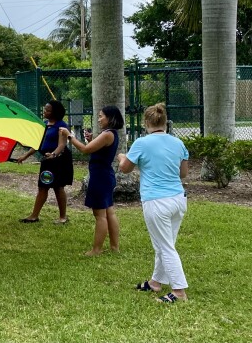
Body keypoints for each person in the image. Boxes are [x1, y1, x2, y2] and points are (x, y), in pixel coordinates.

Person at [118, 103, 190, 303]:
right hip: (178, 199)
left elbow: (125, 169)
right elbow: (183, 173)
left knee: (166, 246)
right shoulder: (178, 143)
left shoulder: (142, 143)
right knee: (164, 244)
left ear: (146, 123)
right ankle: (156, 282)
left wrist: (122, 156)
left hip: (156, 201)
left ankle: (178, 291)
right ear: (165, 122)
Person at [61, 105, 124, 256]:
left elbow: (85, 150)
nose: (99, 119)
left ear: (110, 118)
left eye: (101, 116)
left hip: (100, 177)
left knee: (100, 215)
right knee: (109, 212)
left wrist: (70, 136)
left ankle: (97, 249)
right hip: (105, 175)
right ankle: (114, 247)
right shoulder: (110, 134)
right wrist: (91, 140)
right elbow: (95, 149)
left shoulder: (107, 134)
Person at [18, 100, 74, 225]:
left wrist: (53, 154)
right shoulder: (43, 125)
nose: (44, 111)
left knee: (58, 187)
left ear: (55, 112)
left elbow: (61, 145)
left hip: (59, 159)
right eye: (45, 109)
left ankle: (63, 217)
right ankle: (34, 216)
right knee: (42, 187)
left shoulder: (61, 126)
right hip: (47, 159)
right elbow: (38, 144)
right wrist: (25, 156)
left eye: (47, 110)